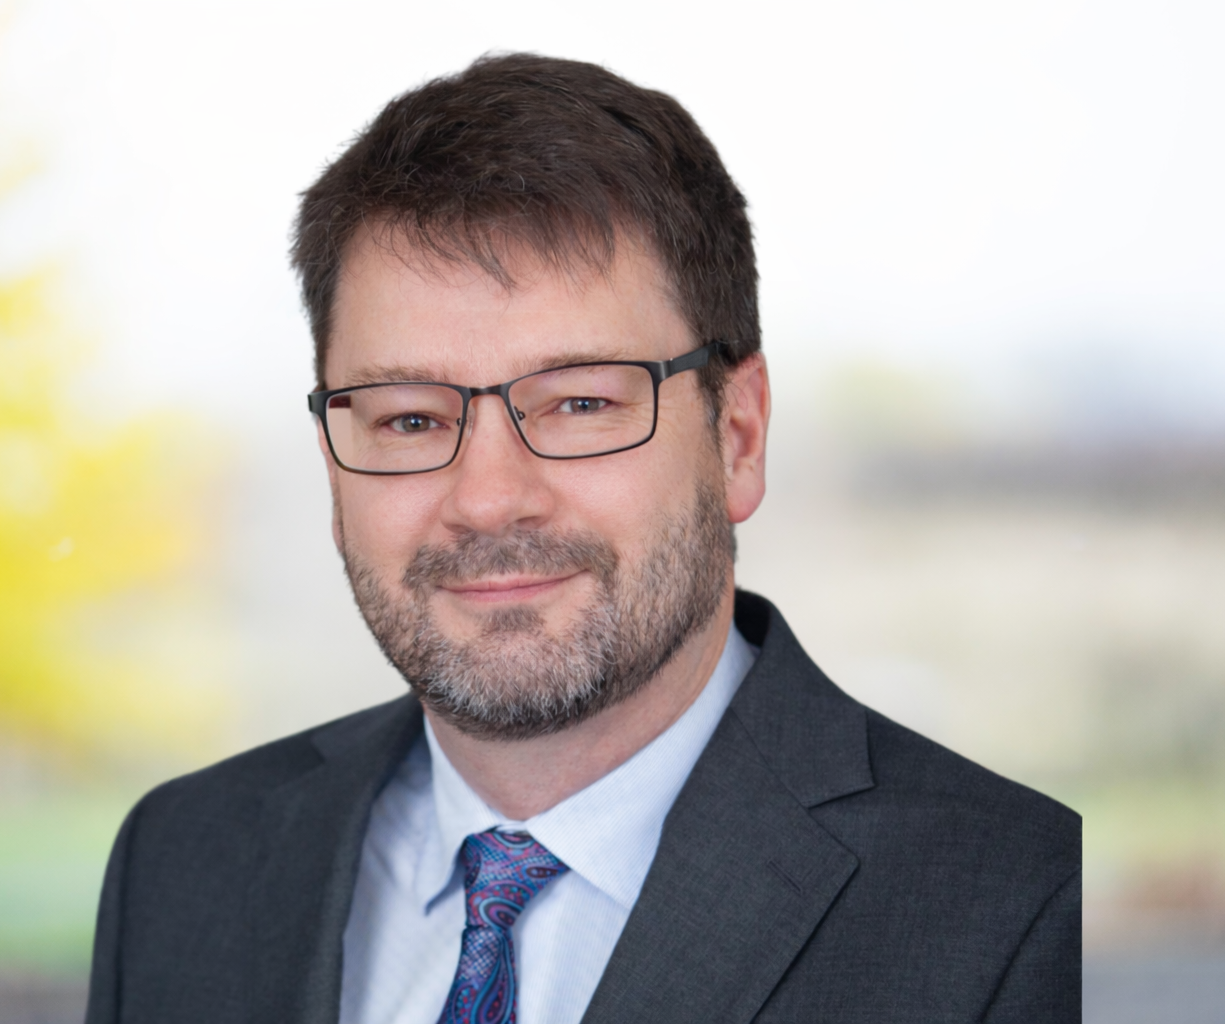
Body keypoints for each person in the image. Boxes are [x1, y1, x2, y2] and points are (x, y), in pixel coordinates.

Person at [84, 53, 1080, 1024]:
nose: (487, 499)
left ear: (737, 435)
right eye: (411, 419)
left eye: (579, 404)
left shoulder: (1016, 909)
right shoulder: (183, 862)